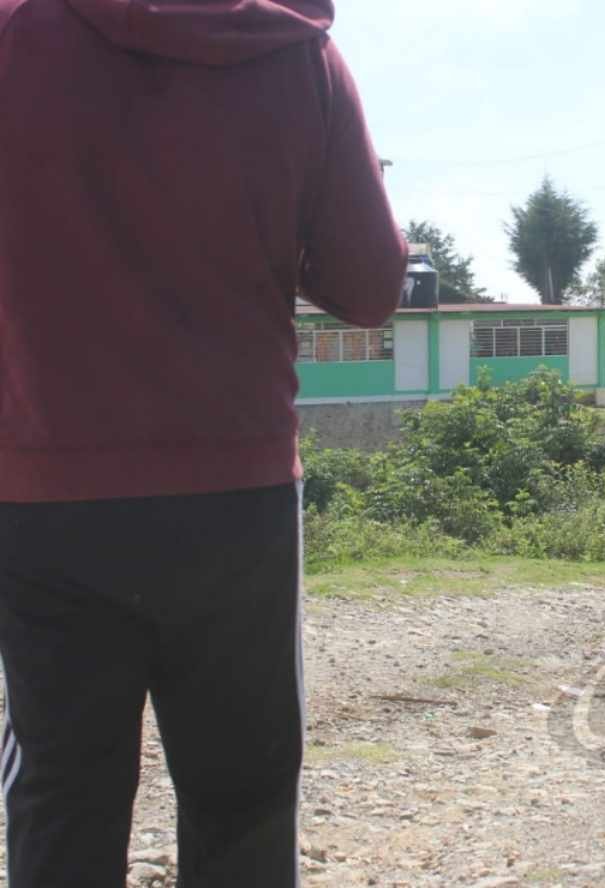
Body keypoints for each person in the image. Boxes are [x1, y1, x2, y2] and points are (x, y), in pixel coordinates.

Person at [0, 2, 406, 886]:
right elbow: (372, 283)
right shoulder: (301, 55)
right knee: (243, 805)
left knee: (61, 800)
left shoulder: (15, 34)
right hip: (234, 496)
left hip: (43, 497)